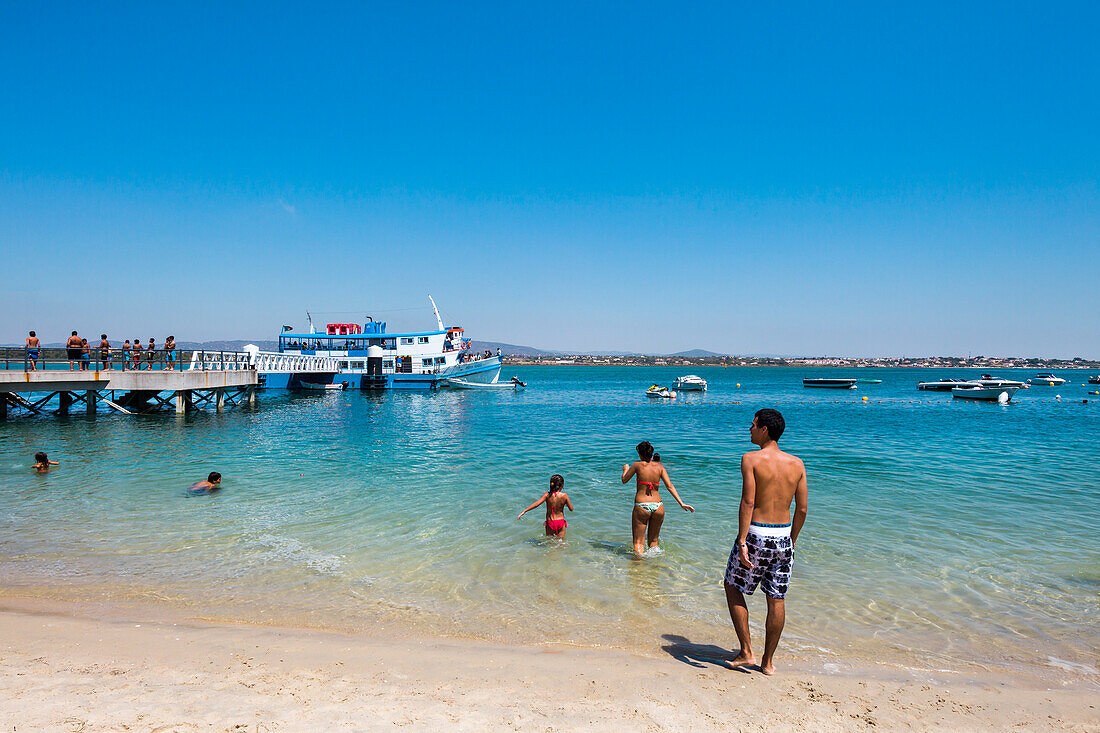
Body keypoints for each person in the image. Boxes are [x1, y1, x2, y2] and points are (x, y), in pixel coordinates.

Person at [724, 409, 808, 676]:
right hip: (784, 538)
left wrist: (742, 541)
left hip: (757, 534)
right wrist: (791, 540)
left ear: (764, 430)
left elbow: (749, 501)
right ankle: (768, 662)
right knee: (776, 599)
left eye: (753, 425)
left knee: (732, 586)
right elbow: (802, 509)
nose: (749, 429)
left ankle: (746, 651)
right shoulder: (797, 464)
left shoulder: (750, 459)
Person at [621, 441, 693, 554]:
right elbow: (670, 486)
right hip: (658, 506)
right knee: (654, 542)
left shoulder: (637, 465)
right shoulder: (660, 467)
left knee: (639, 543)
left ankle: (637, 569)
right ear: (651, 453)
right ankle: (654, 568)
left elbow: (624, 480)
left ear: (640, 454)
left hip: (642, 506)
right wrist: (681, 503)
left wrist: (625, 469)